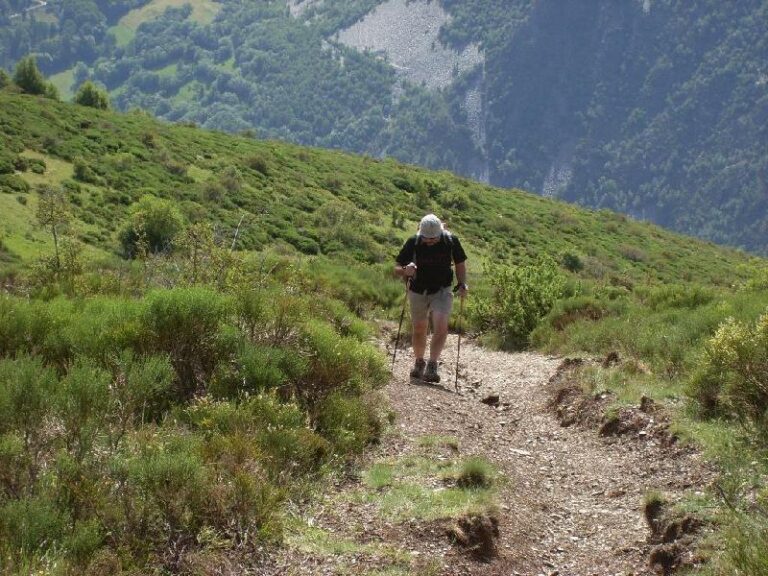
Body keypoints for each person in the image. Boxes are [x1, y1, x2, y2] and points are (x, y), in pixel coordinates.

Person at [394, 214, 468, 383]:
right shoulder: (413, 242)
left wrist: (462, 283)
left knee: (441, 324)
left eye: (433, 238)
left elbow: (460, 264)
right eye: (426, 238)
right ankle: (419, 362)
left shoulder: (451, 241)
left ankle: (432, 364)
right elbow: (396, 267)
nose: (430, 241)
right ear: (421, 234)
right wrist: (405, 270)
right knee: (420, 327)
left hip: (442, 289)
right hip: (418, 290)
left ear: (440, 233)